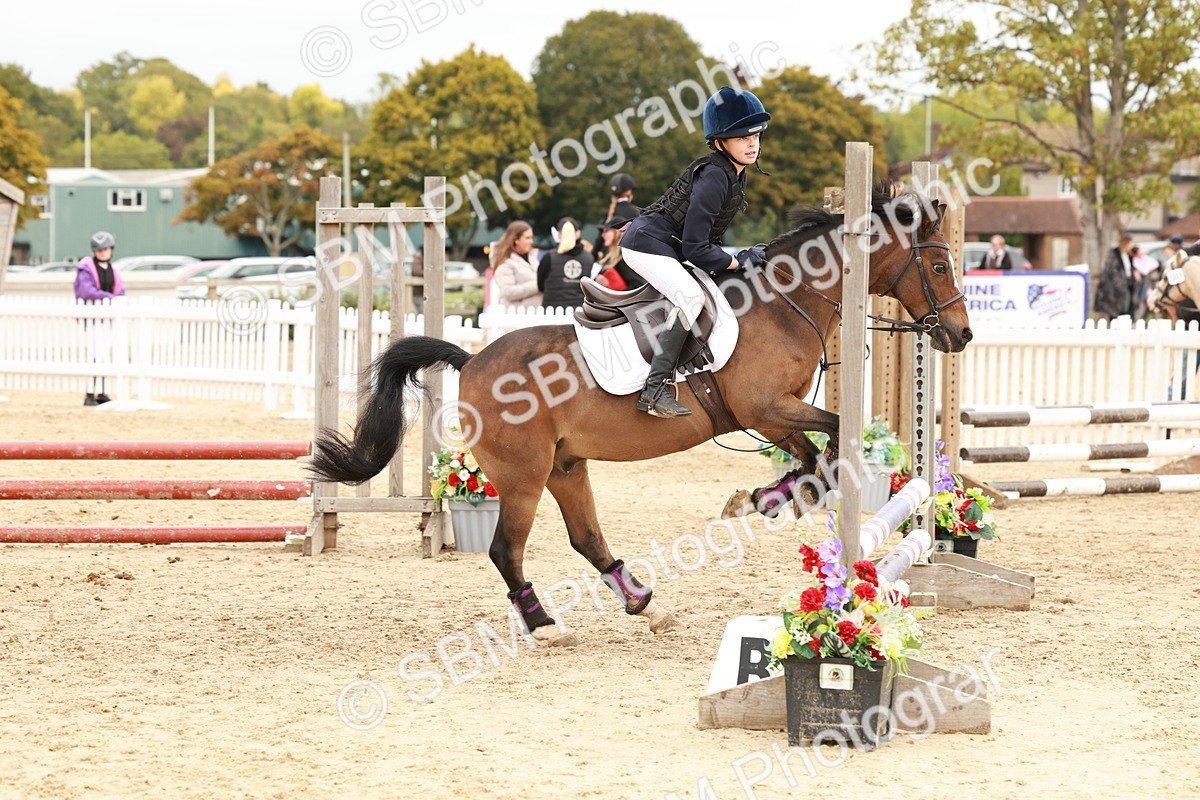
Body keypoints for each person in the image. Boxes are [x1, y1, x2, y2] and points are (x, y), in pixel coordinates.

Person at [621, 85, 771, 417]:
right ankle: (655, 389)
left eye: (756, 135)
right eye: (742, 137)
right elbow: (696, 247)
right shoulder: (716, 176)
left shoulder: (734, 174)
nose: (752, 143)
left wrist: (737, 259)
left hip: (664, 245)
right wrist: (735, 261)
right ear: (720, 142)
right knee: (691, 296)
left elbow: (702, 243)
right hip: (646, 246)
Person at [73, 231, 125, 406]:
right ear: (94, 251)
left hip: (108, 318)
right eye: (99, 250)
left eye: (106, 249)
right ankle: (89, 393)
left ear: (111, 250)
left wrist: (118, 300)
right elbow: (85, 291)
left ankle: (102, 392)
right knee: (94, 355)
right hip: (93, 317)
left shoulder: (114, 271)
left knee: (103, 355)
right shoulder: (86, 268)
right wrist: (109, 298)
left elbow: (120, 291)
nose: (103, 252)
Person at [537, 217, 593, 309]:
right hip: (579, 311)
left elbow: (540, 286)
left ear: (559, 234)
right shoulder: (589, 258)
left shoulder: (549, 257)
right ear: (578, 233)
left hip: (551, 311)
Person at [491, 221, 541, 308]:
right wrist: (538, 285)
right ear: (516, 240)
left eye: (531, 238)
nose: (531, 241)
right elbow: (508, 292)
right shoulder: (504, 263)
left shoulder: (533, 258)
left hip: (537, 313)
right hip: (517, 315)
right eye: (527, 238)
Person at [593, 172, 638, 263]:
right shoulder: (636, 211)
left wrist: (593, 255)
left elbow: (600, 239)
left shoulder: (610, 212)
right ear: (629, 191)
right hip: (631, 256)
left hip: (610, 256)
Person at [1094, 234, 1139, 321]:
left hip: (1127, 284)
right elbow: (1112, 270)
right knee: (1117, 309)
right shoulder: (1114, 254)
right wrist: (1120, 282)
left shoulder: (1128, 256)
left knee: (1127, 306)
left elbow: (1129, 268)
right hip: (1117, 288)